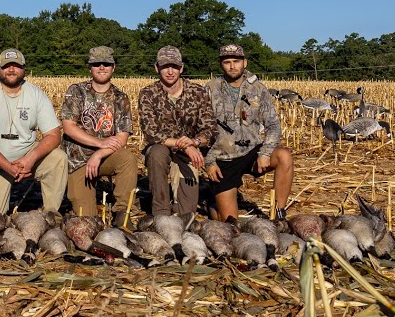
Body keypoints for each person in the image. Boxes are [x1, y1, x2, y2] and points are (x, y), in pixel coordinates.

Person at [0, 48, 67, 213]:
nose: (11, 70)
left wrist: (30, 159)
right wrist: (8, 167)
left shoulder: (36, 95)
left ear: (24, 69)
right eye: (6, 66)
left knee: (58, 159)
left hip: (26, 155)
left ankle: (51, 214)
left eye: (16, 66)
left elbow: (54, 135)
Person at [203, 44, 295, 221]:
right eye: (227, 62)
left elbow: (273, 126)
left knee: (284, 156)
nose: (232, 66)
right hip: (224, 158)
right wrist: (209, 161)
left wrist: (265, 153)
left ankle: (279, 214)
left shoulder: (258, 89)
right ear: (221, 64)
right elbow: (201, 129)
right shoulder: (210, 89)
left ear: (244, 62)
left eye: (236, 61)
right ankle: (212, 202)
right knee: (230, 222)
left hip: (251, 152)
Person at [59, 46, 138, 219]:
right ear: (90, 67)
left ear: (113, 67)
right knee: (86, 218)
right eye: (97, 64)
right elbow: (68, 127)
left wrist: (99, 153)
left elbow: (122, 137)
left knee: (128, 159)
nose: (101, 67)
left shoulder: (120, 97)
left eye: (106, 63)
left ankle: (121, 214)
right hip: (77, 160)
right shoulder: (77, 91)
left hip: (106, 157)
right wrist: (99, 143)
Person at [137, 45, 216, 218]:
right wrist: (185, 145)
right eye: (165, 66)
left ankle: (180, 207)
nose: (170, 71)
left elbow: (209, 128)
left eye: (174, 66)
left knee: (186, 213)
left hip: (188, 155)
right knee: (157, 152)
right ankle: (161, 210)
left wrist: (195, 142)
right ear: (157, 68)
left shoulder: (198, 92)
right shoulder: (148, 94)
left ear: (181, 68)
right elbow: (151, 133)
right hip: (162, 150)